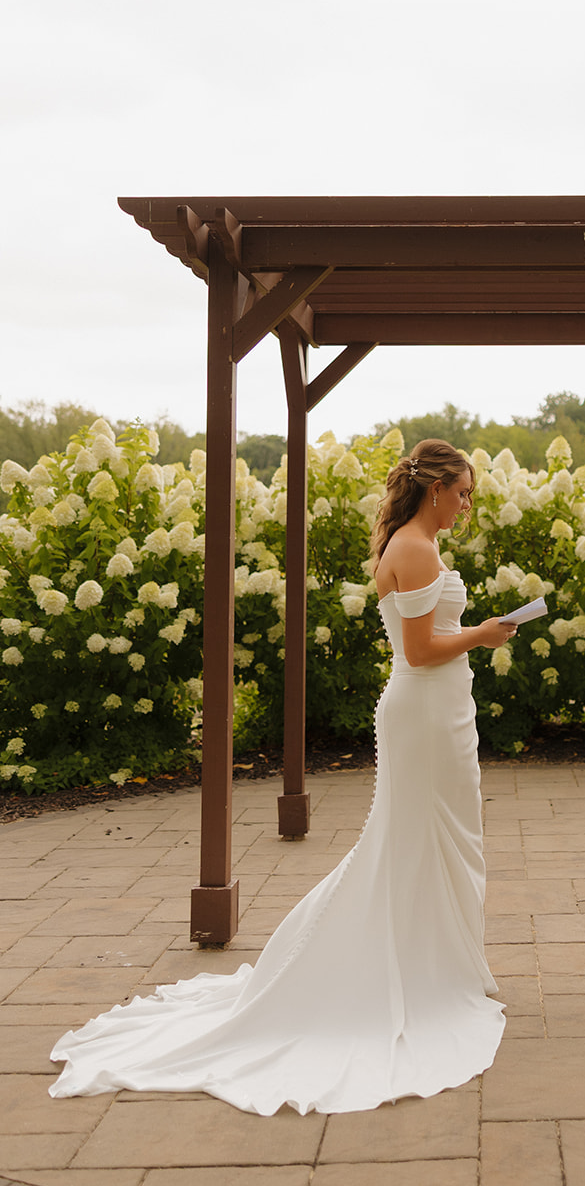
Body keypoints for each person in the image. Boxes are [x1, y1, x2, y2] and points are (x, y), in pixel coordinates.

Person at [50, 440, 517, 1116]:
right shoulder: (414, 549)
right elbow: (417, 652)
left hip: (439, 712)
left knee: (438, 841)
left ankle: (438, 968)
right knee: (411, 843)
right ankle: (408, 976)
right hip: (422, 710)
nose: (469, 504)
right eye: (464, 492)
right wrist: (483, 633)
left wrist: (473, 635)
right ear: (435, 489)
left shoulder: (418, 545)